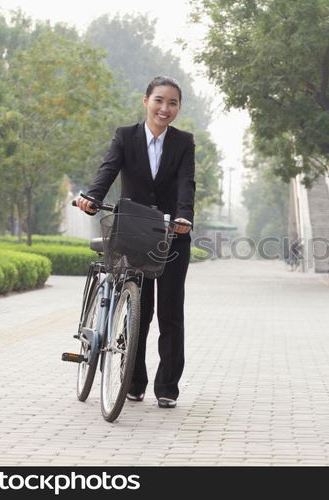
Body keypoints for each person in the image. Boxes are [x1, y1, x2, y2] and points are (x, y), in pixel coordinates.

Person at [75, 76, 195, 409]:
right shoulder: (125, 137)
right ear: (146, 102)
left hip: (173, 234)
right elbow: (108, 169)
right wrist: (92, 197)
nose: (165, 108)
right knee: (138, 311)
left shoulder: (183, 142)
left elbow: (187, 183)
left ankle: (168, 385)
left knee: (171, 311)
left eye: (172, 103)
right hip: (134, 232)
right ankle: (134, 380)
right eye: (159, 100)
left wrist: (185, 216)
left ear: (178, 108)